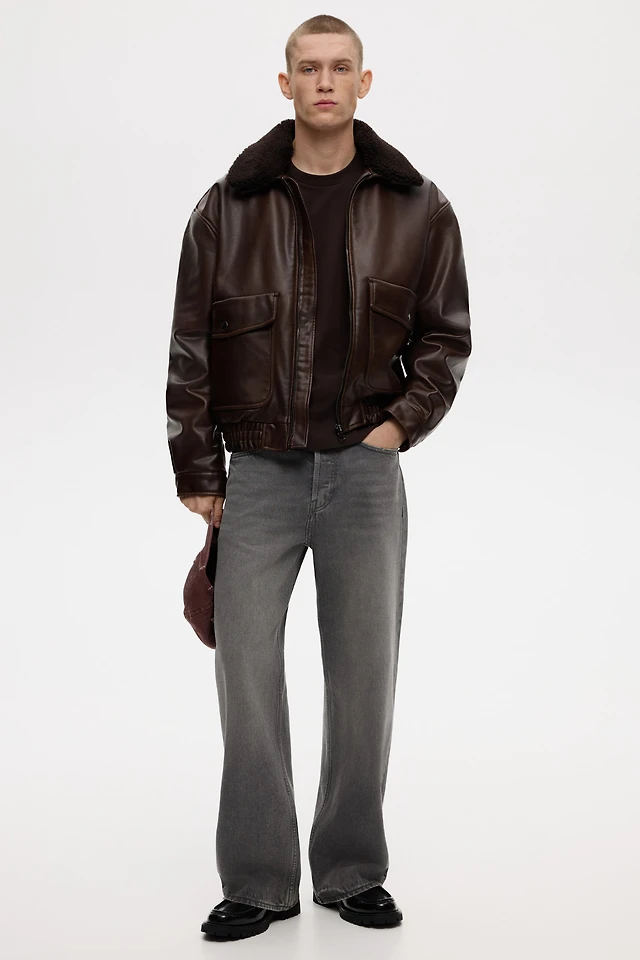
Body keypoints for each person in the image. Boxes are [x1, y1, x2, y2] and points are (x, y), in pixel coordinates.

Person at [165, 14, 472, 941]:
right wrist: (198, 468)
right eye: (309, 68)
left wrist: (395, 430)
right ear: (286, 82)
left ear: (364, 83)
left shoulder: (419, 206)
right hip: (257, 472)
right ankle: (258, 882)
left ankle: (350, 870)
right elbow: (189, 346)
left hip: (364, 474)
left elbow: (447, 339)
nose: (325, 82)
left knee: (363, 679)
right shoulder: (228, 207)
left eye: (341, 68)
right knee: (246, 674)